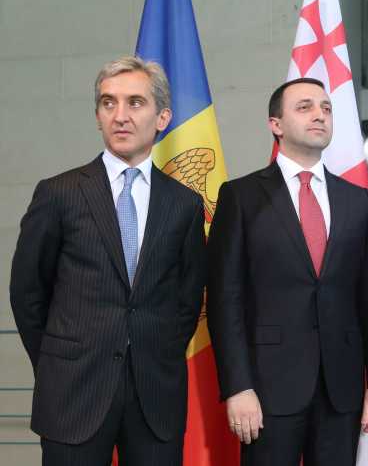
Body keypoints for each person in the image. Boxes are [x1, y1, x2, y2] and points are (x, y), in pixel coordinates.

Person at [9, 56, 206, 465]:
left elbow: (187, 296)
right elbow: (28, 292)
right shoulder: (58, 192)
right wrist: (57, 362)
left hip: (155, 394)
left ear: (162, 117)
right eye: (107, 103)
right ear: (98, 116)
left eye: (135, 103)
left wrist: (160, 351)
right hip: (72, 392)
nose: (120, 115)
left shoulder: (184, 203)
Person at [206, 77, 368, 466]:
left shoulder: (356, 200)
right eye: (305, 107)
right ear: (276, 124)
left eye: (326, 108)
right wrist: (238, 386)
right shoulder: (240, 197)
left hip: (340, 388)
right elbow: (226, 300)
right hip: (268, 387)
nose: (319, 115)